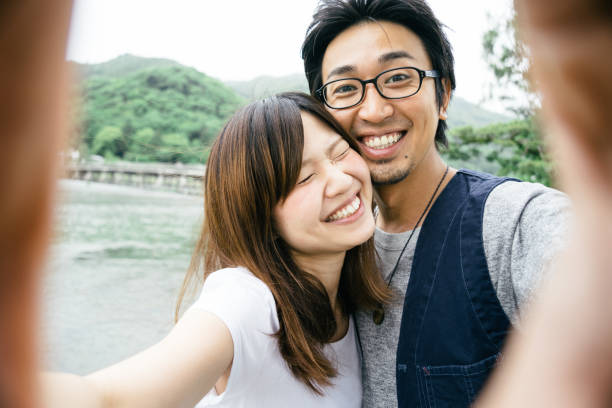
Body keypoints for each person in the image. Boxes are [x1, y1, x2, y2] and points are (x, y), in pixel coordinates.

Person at [41, 92, 390, 407]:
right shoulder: (249, 302)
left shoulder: (352, 300)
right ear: (262, 219)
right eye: (304, 178)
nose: (342, 181)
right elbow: (111, 397)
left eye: (340, 153)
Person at [301, 1, 571, 406]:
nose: (373, 110)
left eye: (397, 78)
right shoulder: (332, 247)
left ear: (442, 96)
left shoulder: (512, 222)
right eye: (345, 89)